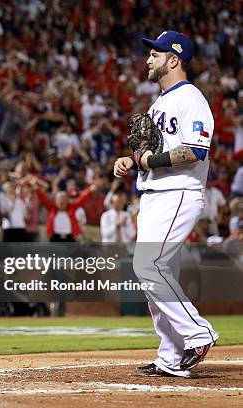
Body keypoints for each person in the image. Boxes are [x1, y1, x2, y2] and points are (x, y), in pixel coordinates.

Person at [113, 31, 218, 378]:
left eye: (155, 54)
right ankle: (171, 356)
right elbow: (151, 152)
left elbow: (195, 150)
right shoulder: (159, 103)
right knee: (155, 274)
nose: (148, 59)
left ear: (174, 59)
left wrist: (147, 162)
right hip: (156, 193)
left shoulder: (191, 99)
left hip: (178, 191)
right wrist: (134, 160)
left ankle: (197, 333)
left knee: (147, 266)